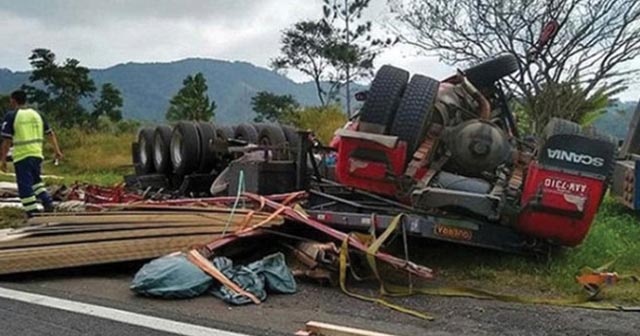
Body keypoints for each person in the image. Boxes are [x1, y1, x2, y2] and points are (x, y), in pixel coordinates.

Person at [0, 90, 63, 217]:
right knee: (36, 182)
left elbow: (7, 140)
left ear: (13, 100)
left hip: (22, 156)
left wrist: (2, 159)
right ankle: (47, 202)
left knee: (24, 186)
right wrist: (57, 151)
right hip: (37, 154)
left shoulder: (11, 116)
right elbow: (50, 134)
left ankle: (32, 211)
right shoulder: (37, 114)